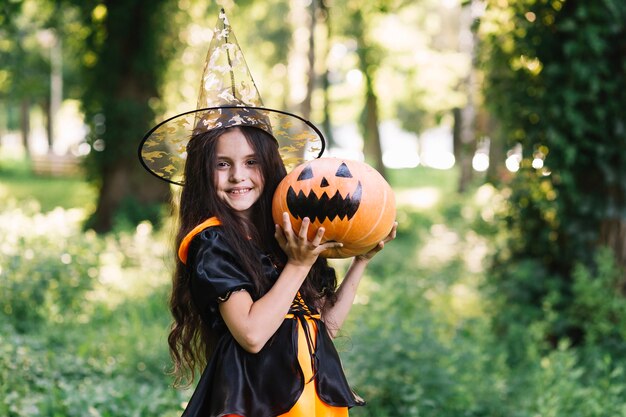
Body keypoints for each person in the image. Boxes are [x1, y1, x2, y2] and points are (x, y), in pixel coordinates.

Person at [138, 9, 396, 417]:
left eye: (251, 162)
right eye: (222, 164)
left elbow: (322, 328)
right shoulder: (212, 240)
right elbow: (254, 334)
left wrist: (359, 261)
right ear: (204, 173)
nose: (238, 176)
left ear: (269, 166)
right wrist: (298, 263)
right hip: (257, 403)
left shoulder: (282, 233)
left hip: (308, 399)